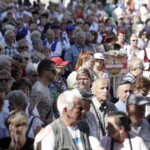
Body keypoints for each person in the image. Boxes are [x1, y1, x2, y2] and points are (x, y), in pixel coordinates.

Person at [36, 90, 104, 150]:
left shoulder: (85, 126)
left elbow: (97, 146)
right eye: (79, 109)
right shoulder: (51, 131)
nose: (83, 111)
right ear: (66, 110)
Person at [29, 60, 56, 125]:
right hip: (40, 129)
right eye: (54, 71)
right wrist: (45, 121)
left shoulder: (45, 86)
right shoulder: (38, 89)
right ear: (45, 72)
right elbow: (30, 111)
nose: (56, 73)